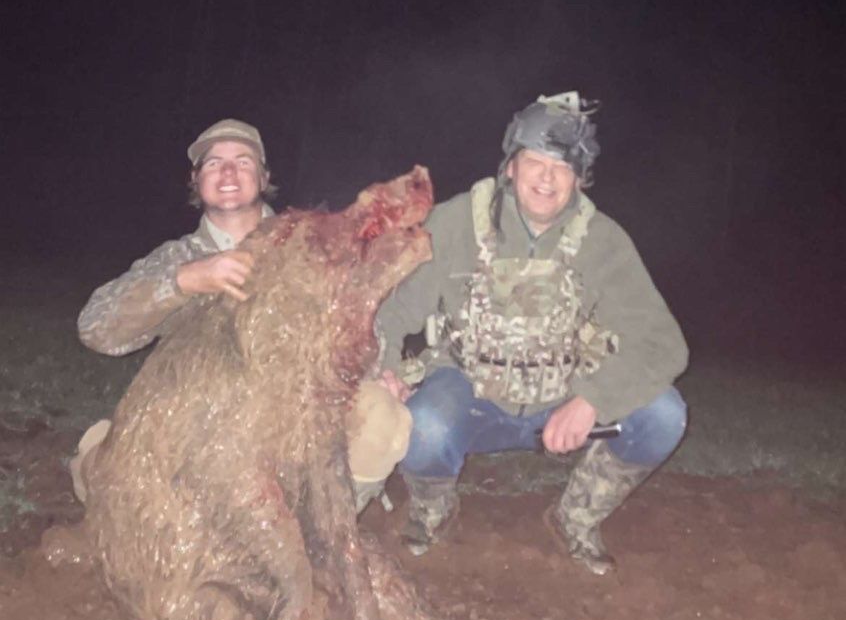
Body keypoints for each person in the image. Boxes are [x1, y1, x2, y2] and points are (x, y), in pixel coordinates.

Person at [376, 91, 688, 576]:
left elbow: (664, 344)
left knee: (665, 414)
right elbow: (392, 311)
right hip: (469, 394)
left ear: (579, 179)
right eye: (535, 161)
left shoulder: (604, 240)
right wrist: (386, 368)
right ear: (510, 167)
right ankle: (432, 511)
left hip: (563, 400)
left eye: (562, 167)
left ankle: (575, 518)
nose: (547, 177)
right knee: (425, 426)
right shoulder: (455, 221)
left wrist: (593, 399)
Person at [74, 119, 411, 504]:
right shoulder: (176, 259)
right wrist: (181, 282)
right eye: (214, 163)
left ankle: (321, 543)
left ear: (264, 177)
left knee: (380, 415)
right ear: (197, 180)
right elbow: (96, 329)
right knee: (110, 474)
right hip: (198, 430)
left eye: (243, 161)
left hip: (294, 428)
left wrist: (386, 376)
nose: (229, 171)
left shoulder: (312, 248)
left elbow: (365, 330)